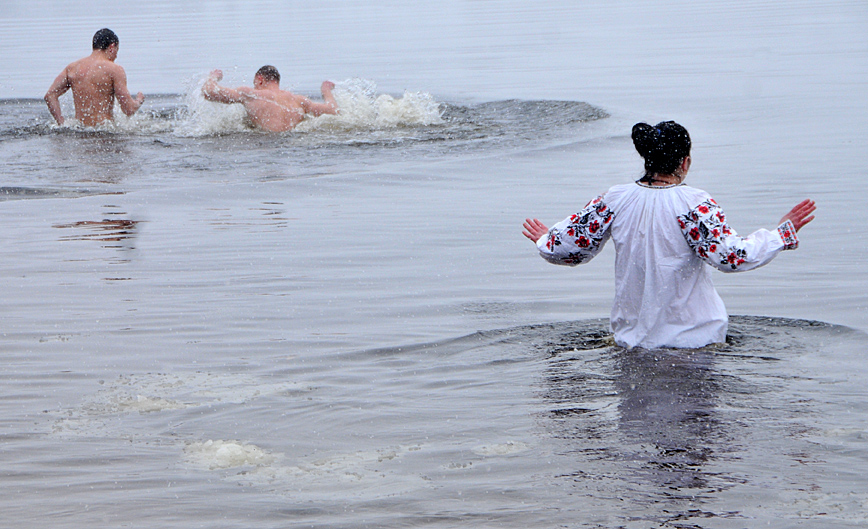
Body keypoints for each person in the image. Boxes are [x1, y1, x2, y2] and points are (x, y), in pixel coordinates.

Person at [522, 121, 816, 350]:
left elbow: (569, 249)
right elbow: (731, 257)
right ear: (684, 162)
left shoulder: (615, 199)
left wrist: (546, 239)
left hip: (632, 342)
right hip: (695, 340)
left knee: (636, 425)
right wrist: (781, 234)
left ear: (646, 159)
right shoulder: (693, 204)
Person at [44, 28, 145, 126]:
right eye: (117, 50)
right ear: (112, 47)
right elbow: (129, 109)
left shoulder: (72, 68)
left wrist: (62, 124)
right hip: (105, 135)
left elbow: (50, 95)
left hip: (80, 133)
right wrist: (138, 101)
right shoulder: (114, 69)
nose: (116, 56)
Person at [201, 66, 338, 132]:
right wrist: (326, 90)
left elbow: (208, 92)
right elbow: (332, 110)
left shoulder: (251, 94)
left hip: (267, 144)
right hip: (291, 145)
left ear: (259, 80)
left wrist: (213, 77)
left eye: (255, 83)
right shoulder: (299, 100)